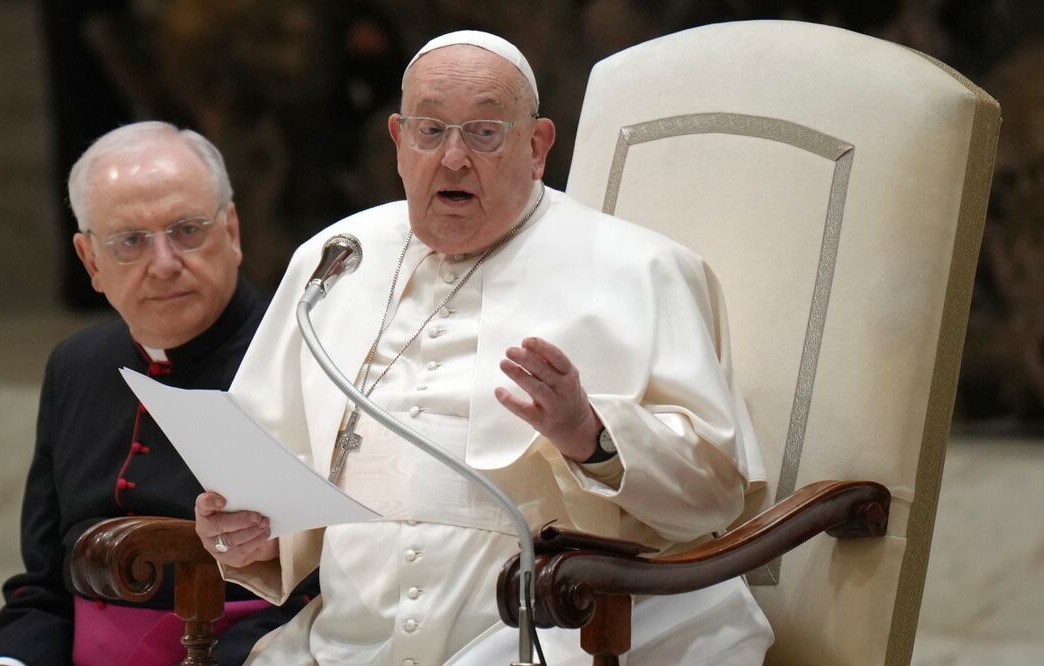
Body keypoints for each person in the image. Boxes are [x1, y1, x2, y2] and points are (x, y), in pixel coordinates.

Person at [196, 31, 774, 664]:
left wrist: (589, 434)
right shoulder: (337, 260)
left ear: (537, 146)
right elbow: (271, 485)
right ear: (397, 140)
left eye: (484, 132)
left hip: (544, 638)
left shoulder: (644, 270)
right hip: (344, 643)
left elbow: (712, 500)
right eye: (430, 130)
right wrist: (248, 534)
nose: (452, 159)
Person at [0, 122, 314, 666]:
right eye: (130, 242)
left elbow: (330, 585)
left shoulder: (304, 359)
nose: (163, 264)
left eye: (187, 230)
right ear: (91, 261)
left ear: (231, 231)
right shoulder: (76, 366)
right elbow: (43, 587)